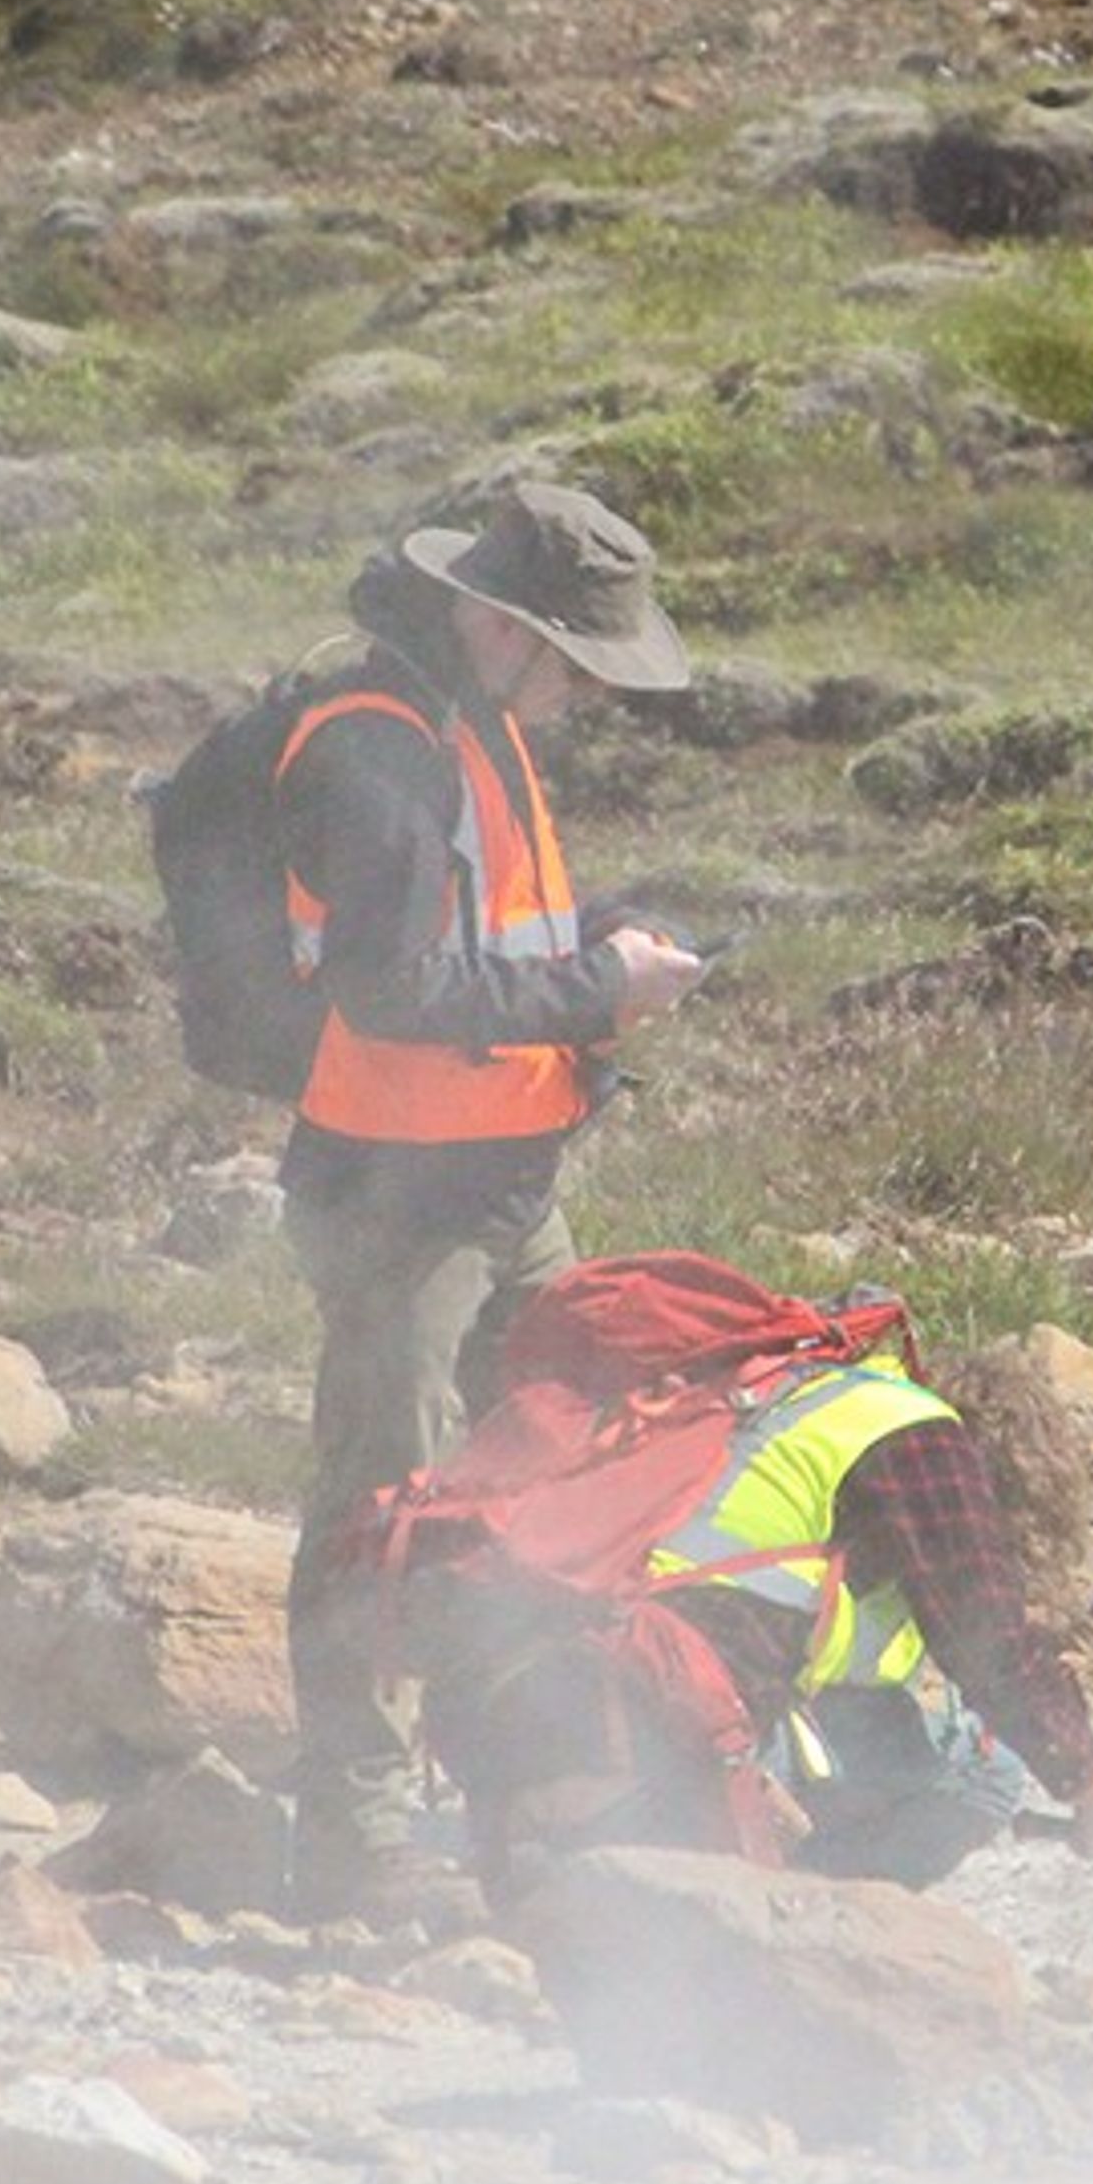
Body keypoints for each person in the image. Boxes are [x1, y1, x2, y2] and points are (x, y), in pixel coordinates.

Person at [271, 480, 707, 1921]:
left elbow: (479, 943)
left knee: (563, 1470)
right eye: (575, 657)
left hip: (508, 1180)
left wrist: (598, 944)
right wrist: (600, 987)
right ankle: (358, 1839)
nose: (587, 688)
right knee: (381, 1510)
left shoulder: (478, 728)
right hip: (398, 1203)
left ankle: (542, 1793)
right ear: (494, 624)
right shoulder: (378, 753)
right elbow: (392, 989)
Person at [627, 1331, 1093, 1884]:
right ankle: (821, 1926)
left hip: (624, 1676)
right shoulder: (924, 1443)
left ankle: (802, 1902)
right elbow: (993, 1647)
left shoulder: (815, 1400)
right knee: (985, 1772)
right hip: (692, 1721)